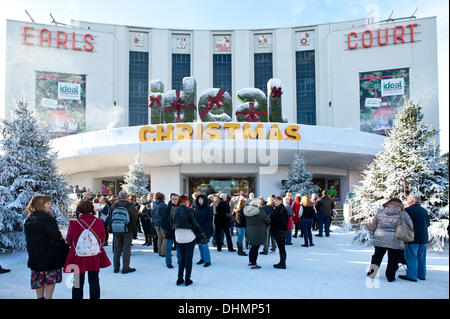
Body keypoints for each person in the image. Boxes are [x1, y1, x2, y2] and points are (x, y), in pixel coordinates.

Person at [64, 199, 111, 299]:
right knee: (94, 281)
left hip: (77, 257)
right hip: (94, 256)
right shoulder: (99, 222)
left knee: (77, 283)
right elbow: (102, 239)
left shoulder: (73, 223)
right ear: (92, 209)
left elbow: (69, 240)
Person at [24, 195, 67, 299]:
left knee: (39, 279)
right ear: (41, 205)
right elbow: (55, 237)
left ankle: (40, 298)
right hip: (49, 255)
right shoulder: (47, 219)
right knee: (49, 279)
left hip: (35, 255)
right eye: (48, 204)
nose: (50, 206)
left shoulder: (29, 219)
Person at [367, 198, 413, 282]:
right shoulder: (403, 213)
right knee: (393, 259)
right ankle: (390, 276)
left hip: (380, 237)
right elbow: (410, 225)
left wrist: (374, 233)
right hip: (395, 238)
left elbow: (373, 224)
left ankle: (372, 273)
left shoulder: (380, 212)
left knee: (377, 256)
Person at [399, 194, 431, 282]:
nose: (407, 201)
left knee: (411, 256)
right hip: (423, 237)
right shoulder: (424, 211)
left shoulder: (408, 210)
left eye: (408, 200)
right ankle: (421, 274)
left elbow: (404, 224)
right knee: (421, 257)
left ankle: (411, 275)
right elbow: (428, 224)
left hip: (412, 237)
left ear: (412, 201)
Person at [173, 194, 203, 286]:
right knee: (188, 259)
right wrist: (199, 232)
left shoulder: (174, 210)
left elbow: (171, 222)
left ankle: (179, 279)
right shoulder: (189, 210)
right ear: (186, 201)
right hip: (189, 236)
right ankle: (187, 279)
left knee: (181, 258)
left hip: (178, 236)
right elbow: (195, 223)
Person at [111, 190, 138, 274]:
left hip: (116, 229)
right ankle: (125, 267)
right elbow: (134, 217)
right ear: (127, 197)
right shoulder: (130, 205)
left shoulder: (114, 205)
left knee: (117, 248)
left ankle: (116, 267)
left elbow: (110, 216)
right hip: (127, 229)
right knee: (126, 248)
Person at [244, 198, 271, 269]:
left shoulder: (247, 210)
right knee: (256, 247)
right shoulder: (259, 211)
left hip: (249, 230)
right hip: (258, 231)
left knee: (252, 246)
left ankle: (250, 261)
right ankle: (254, 263)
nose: (261, 204)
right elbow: (267, 220)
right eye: (260, 203)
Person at [194, 194, 213, 267]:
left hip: (205, 229)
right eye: (199, 199)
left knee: (204, 245)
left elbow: (209, 219)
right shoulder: (197, 208)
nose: (200, 200)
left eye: (201, 199)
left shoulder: (208, 208)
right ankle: (202, 258)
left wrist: (204, 228)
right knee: (200, 245)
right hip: (197, 229)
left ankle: (208, 260)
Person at [271, 196, 289, 269]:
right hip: (279, 230)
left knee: (282, 248)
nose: (275, 202)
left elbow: (282, 220)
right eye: (274, 201)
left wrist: (272, 218)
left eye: (277, 201)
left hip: (281, 231)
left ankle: (282, 263)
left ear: (281, 201)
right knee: (281, 247)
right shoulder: (278, 208)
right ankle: (282, 262)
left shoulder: (282, 209)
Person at [164, 193, 179, 268]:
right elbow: (164, 220)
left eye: (176, 199)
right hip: (170, 230)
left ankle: (180, 261)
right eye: (173, 199)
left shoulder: (180, 207)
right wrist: (167, 228)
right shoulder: (168, 208)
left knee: (179, 247)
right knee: (168, 247)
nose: (174, 200)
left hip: (178, 231)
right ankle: (168, 262)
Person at [152, 192, 168, 257]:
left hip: (155, 223)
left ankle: (159, 251)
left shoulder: (153, 204)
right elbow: (165, 215)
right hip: (162, 223)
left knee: (159, 237)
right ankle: (163, 252)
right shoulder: (163, 205)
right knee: (165, 238)